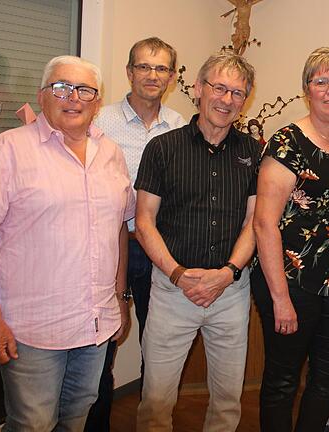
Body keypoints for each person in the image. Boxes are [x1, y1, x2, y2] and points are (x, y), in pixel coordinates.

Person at [0, 55, 134, 431]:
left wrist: (120, 299)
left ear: (97, 102)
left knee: (75, 418)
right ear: (42, 96)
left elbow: (117, 227)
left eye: (85, 90)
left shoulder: (111, 154)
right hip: (33, 330)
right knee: (31, 424)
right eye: (61, 87)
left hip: (95, 324)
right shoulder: (7, 151)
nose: (73, 97)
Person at [134, 52, 259, 431]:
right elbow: (143, 222)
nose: (226, 99)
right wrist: (177, 274)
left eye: (237, 93)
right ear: (199, 89)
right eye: (219, 88)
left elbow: (254, 222)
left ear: (246, 99)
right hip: (173, 291)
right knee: (156, 400)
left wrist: (228, 273)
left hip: (230, 293)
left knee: (227, 400)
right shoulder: (162, 148)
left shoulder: (253, 153)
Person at [252, 46, 329, 432]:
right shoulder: (287, 142)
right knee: (283, 381)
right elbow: (265, 224)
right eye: (322, 82)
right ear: (307, 90)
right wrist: (280, 297)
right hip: (289, 281)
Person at [86, 36, 186, 432]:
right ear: (129, 72)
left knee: (158, 349)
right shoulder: (99, 122)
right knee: (102, 352)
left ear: (173, 77)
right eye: (144, 66)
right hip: (113, 249)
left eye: (161, 68)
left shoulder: (180, 126)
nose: (152, 75)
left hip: (161, 251)